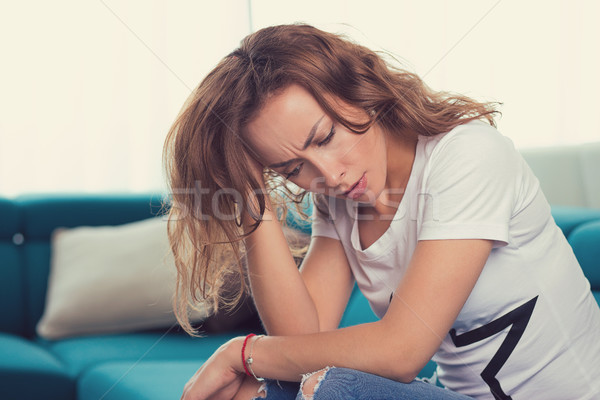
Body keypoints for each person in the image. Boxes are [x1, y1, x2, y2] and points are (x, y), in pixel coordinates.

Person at [162, 23, 600, 400]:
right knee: (269, 387)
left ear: (358, 90)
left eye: (326, 136)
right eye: (293, 169)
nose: (330, 175)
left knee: (330, 388)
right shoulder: (338, 199)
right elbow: (300, 344)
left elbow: (400, 352)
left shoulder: (468, 155)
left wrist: (241, 352)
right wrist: (250, 197)